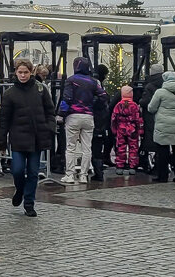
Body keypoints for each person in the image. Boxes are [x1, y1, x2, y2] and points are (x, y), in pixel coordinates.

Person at [0, 57, 56, 217]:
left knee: (33, 172)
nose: (23, 75)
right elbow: (4, 119)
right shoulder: (10, 94)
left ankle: (29, 203)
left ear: (31, 72)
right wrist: (1, 141)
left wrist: (50, 127)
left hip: (37, 137)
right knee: (16, 170)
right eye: (20, 72)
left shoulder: (40, 89)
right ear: (15, 73)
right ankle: (20, 188)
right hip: (17, 138)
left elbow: (50, 111)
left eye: (26, 72)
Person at [57, 56, 105, 184]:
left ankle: (70, 175)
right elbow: (103, 96)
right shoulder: (93, 82)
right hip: (88, 116)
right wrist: (93, 105)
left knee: (71, 147)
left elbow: (66, 98)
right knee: (87, 147)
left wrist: (61, 114)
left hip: (73, 116)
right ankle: (84, 175)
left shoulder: (71, 80)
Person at [110, 86, 143, 175]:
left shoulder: (118, 105)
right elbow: (138, 119)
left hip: (121, 129)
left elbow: (114, 118)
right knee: (133, 148)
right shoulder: (134, 105)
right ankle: (132, 166)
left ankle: (120, 165)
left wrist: (114, 129)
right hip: (132, 130)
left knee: (121, 147)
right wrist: (140, 130)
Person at [138, 63, 165, 173]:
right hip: (163, 115)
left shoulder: (149, 86)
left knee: (150, 137)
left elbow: (146, 102)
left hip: (150, 115)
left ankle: (147, 162)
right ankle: (161, 163)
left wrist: (140, 101)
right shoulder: (165, 84)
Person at [90, 63, 112, 180]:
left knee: (93, 145)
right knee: (97, 145)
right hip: (100, 121)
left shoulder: (91, 87)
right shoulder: (101, 92)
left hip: (94, 120)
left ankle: (96, 171)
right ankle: (98, 171)